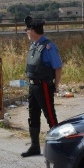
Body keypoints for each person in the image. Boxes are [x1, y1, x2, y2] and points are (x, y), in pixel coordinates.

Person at [21, 16, 63, 157]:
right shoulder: (34, 45)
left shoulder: (48, 47)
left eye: (27, 30)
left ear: (32, 30)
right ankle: (34, 146)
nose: (26, 32)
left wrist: (56, 86)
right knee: (33, 115)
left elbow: (58, 67)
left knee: (50, 115)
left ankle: (59, 148)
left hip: (44, 85)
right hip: (33, 86)